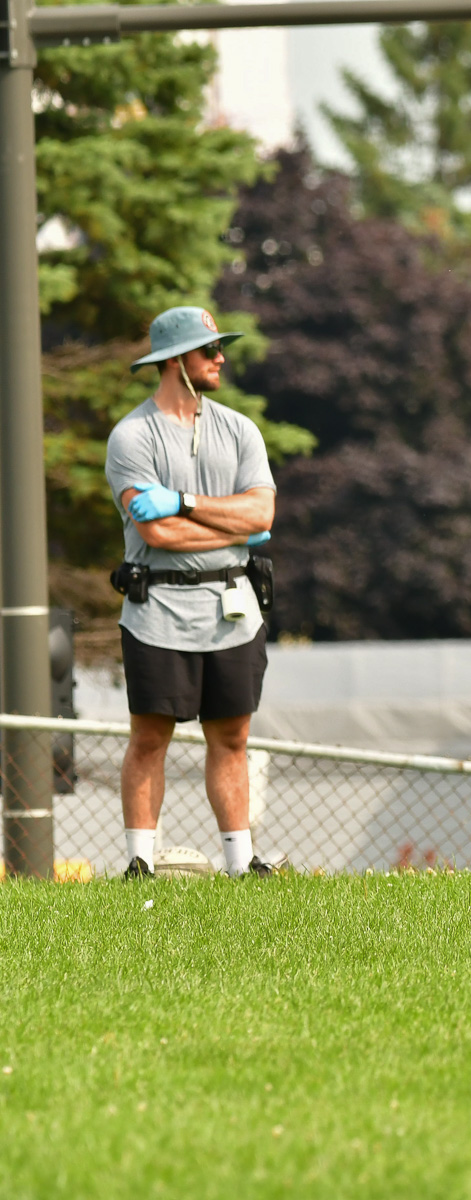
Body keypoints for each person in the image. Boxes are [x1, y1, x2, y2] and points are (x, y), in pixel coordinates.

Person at [105, 306, 283, 878]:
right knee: (150, 736)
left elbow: (264, 513)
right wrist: (230, 525)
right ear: (176, 361)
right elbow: (153, 533)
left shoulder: (239, 429)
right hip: (156, 609)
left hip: (233, 609)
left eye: (219, 348)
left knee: (232, 736)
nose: (220, 358)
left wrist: (183, 502)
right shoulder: (131, 437)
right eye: (209, 350)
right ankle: (140, 863)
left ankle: (240, 863)